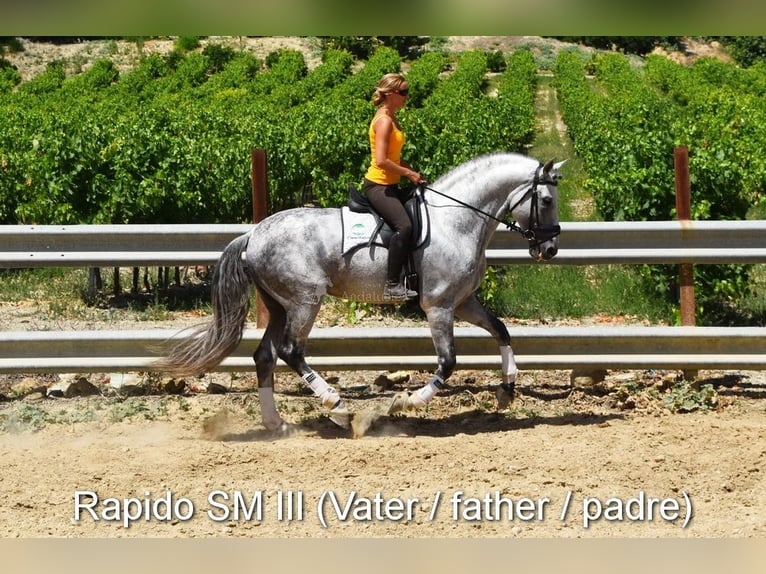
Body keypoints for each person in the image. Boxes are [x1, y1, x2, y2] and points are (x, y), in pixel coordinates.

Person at [362, 73, 424, 301]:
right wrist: (408, 173)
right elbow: (381, 160)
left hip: (391, 183)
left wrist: (411, 172)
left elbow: (394, 157)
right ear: (391, 94)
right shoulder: (384, 121)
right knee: (404, 226)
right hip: (378, 186)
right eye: (404, 93)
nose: (407, 97)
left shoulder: (393, 116)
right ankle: (392, 284)